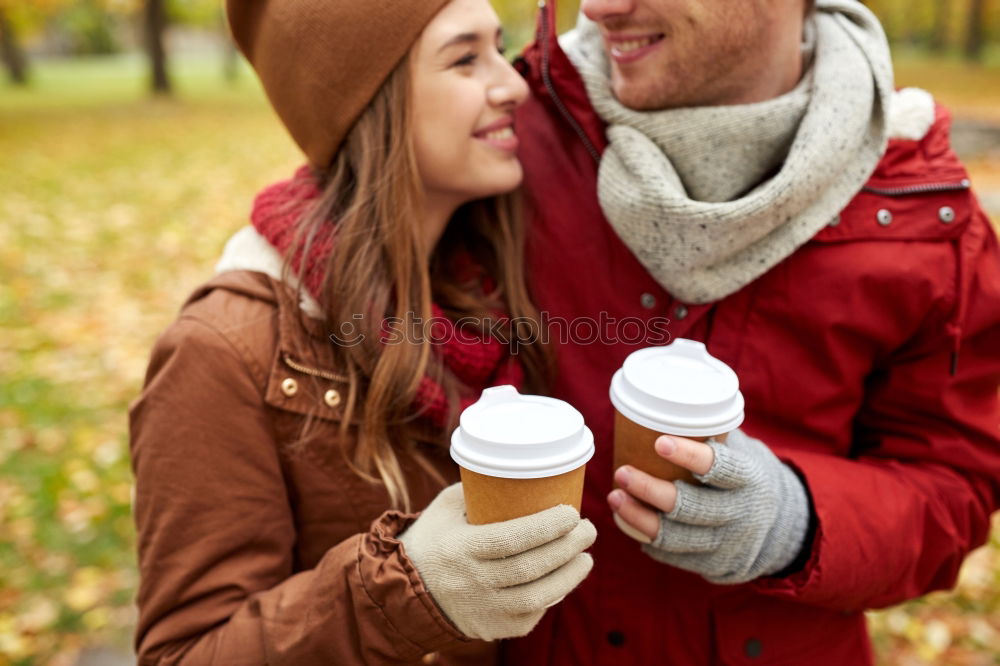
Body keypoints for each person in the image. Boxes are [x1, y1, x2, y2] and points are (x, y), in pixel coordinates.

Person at [505, 0, 1000, 663]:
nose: (599, 7)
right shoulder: (505, 127)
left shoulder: (924, 212)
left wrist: (799, 522)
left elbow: (954, 487)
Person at [127, 1, 597, 664]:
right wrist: (410, 589)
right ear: (367, 102)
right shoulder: (222, 353)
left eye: (500, 46)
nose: (512, 84)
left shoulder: (488, 289)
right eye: (465, 58)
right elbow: (185, 654)